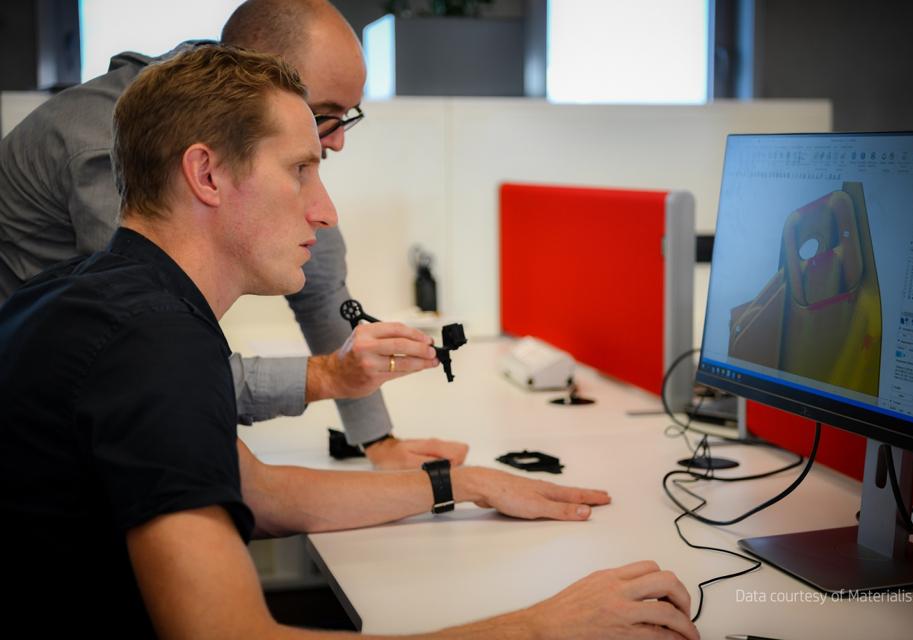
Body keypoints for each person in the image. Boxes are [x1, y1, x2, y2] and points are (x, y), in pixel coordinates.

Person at [0, 45, 699, 640]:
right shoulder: (152, 345)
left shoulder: (102, 293)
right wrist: (540, 626)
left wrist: (459, 484)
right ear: (206, 174)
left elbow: (261, 491)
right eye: (301, 168)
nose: (325, 210)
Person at [0, 0, 465, 470]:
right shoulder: (117, 141)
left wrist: (379, 441)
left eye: (349, 115)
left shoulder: (247, 124)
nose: (339, 139)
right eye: (326, 113)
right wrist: (327, 376)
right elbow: (150, 356)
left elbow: (322, 287)